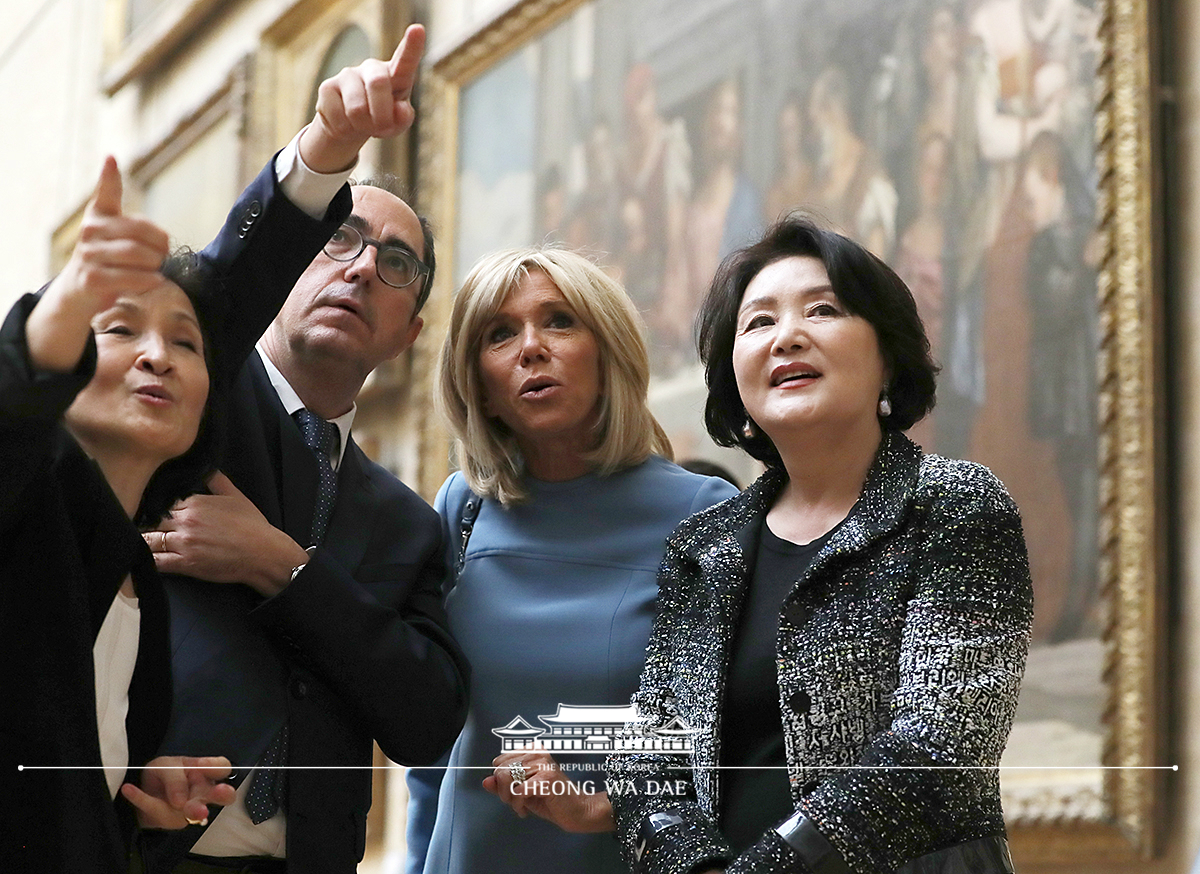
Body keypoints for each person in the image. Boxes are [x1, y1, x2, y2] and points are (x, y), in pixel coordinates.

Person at [485, 217, 1032, 871]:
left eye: (823, 310)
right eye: (759, 322)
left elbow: (941, 746)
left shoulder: (953, 505)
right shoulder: (703, 547)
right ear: (735, 379)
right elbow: (653, 754)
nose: (788, 337)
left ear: (886, 355)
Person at [133, 25, 470, 874]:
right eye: (338, 238)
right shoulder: (195, 395)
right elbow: (220, 289)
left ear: (411, 333)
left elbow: (427, 721)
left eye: (395, 263)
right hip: (139, 840)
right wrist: (328, 149)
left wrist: (283, 567)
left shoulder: (406, 524)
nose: (360, 269)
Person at [0, 142, 321, 871]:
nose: (158, 356)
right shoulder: (26, 498)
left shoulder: (137, 578)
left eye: (186, 342)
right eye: (117, 329)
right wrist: (60, 316)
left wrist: (123, 783)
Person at [405, 247, 737, 874]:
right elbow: (432, 739)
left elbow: (724, 735)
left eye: (559, 321)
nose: (531, 347)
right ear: (481, 386)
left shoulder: (705, 513)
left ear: (608, 353)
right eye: (500, 334)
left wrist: (597, 799)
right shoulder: (461, 510)